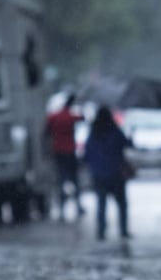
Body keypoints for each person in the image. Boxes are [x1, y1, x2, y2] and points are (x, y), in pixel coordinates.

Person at [84, 106, 132, 240]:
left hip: (99, 174)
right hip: (115, 173)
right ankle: (123, 230)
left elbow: (87, 154)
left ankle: (101, 231)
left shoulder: (93, 133)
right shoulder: (115, 131)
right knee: (121, 204)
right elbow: (126, 144)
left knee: (101, 204)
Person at [45, 93, 86, 219]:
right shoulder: (71, 117)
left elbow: (46, 132)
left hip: (58, 152)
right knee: (74, 181)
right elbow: (83, 118)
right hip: (70, 151)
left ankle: (62, 210)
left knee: (61, 181)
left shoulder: (54, 117)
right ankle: (78, 206)